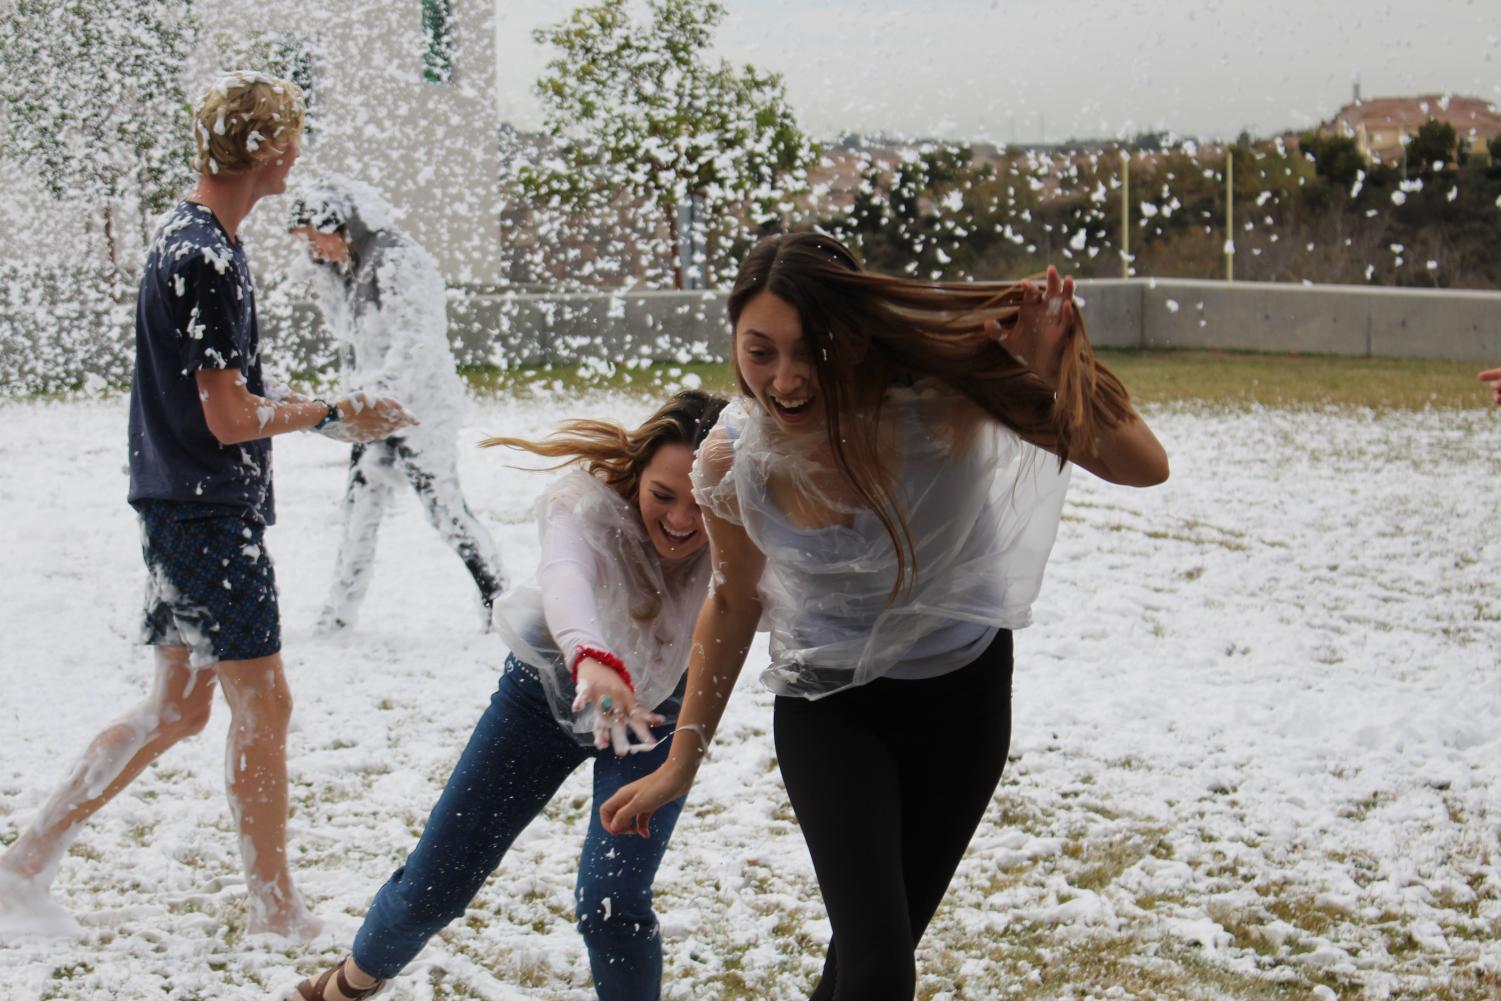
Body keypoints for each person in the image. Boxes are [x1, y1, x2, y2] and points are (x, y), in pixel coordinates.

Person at [601, 234, 1170, 1000]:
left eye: (811, 349)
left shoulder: (943, 402)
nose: (786, 378)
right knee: (878, 965)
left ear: (856, 334)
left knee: (869, 956)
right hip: (827, 708)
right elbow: (732, 601)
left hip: (960, 702)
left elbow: (1143, 464)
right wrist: (681, 761)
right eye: (758, 351)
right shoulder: (731, 456)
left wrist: (1056, 367)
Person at [0, 72, 412, 941]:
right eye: (289, 140)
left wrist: (314, 410)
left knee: (177, 709)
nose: (296, 157)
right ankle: (276, 912)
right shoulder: (204, 255)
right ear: (264, 150)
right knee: (265, 708)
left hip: (179, 504)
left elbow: (219, 403)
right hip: (201, 514)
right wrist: (337, 412)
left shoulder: (193, 240)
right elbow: (228, 417)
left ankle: (22, 867)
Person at [289, 390, 727, 1001]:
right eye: (663, 496)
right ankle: (348, 985)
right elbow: (565, 577)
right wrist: (592, 660)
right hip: (545, 694)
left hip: (652, 718)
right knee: (434, 887)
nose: (682, 520)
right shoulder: (586, 504)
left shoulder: (742, 535)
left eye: (702, 504)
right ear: (638, 472)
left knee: (612, 901)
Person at [287, 177, 508, 632]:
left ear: (338, 222)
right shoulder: (349, 270)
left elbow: (417, 341)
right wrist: (361, 404)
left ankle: (500, 598)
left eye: (314, 238)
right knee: (358, 507)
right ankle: (338, 615)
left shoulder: (396, 260)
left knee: (443, 508)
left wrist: (379, 397)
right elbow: (358, 345)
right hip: (373, 412)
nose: (312, 251)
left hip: (419, 411)